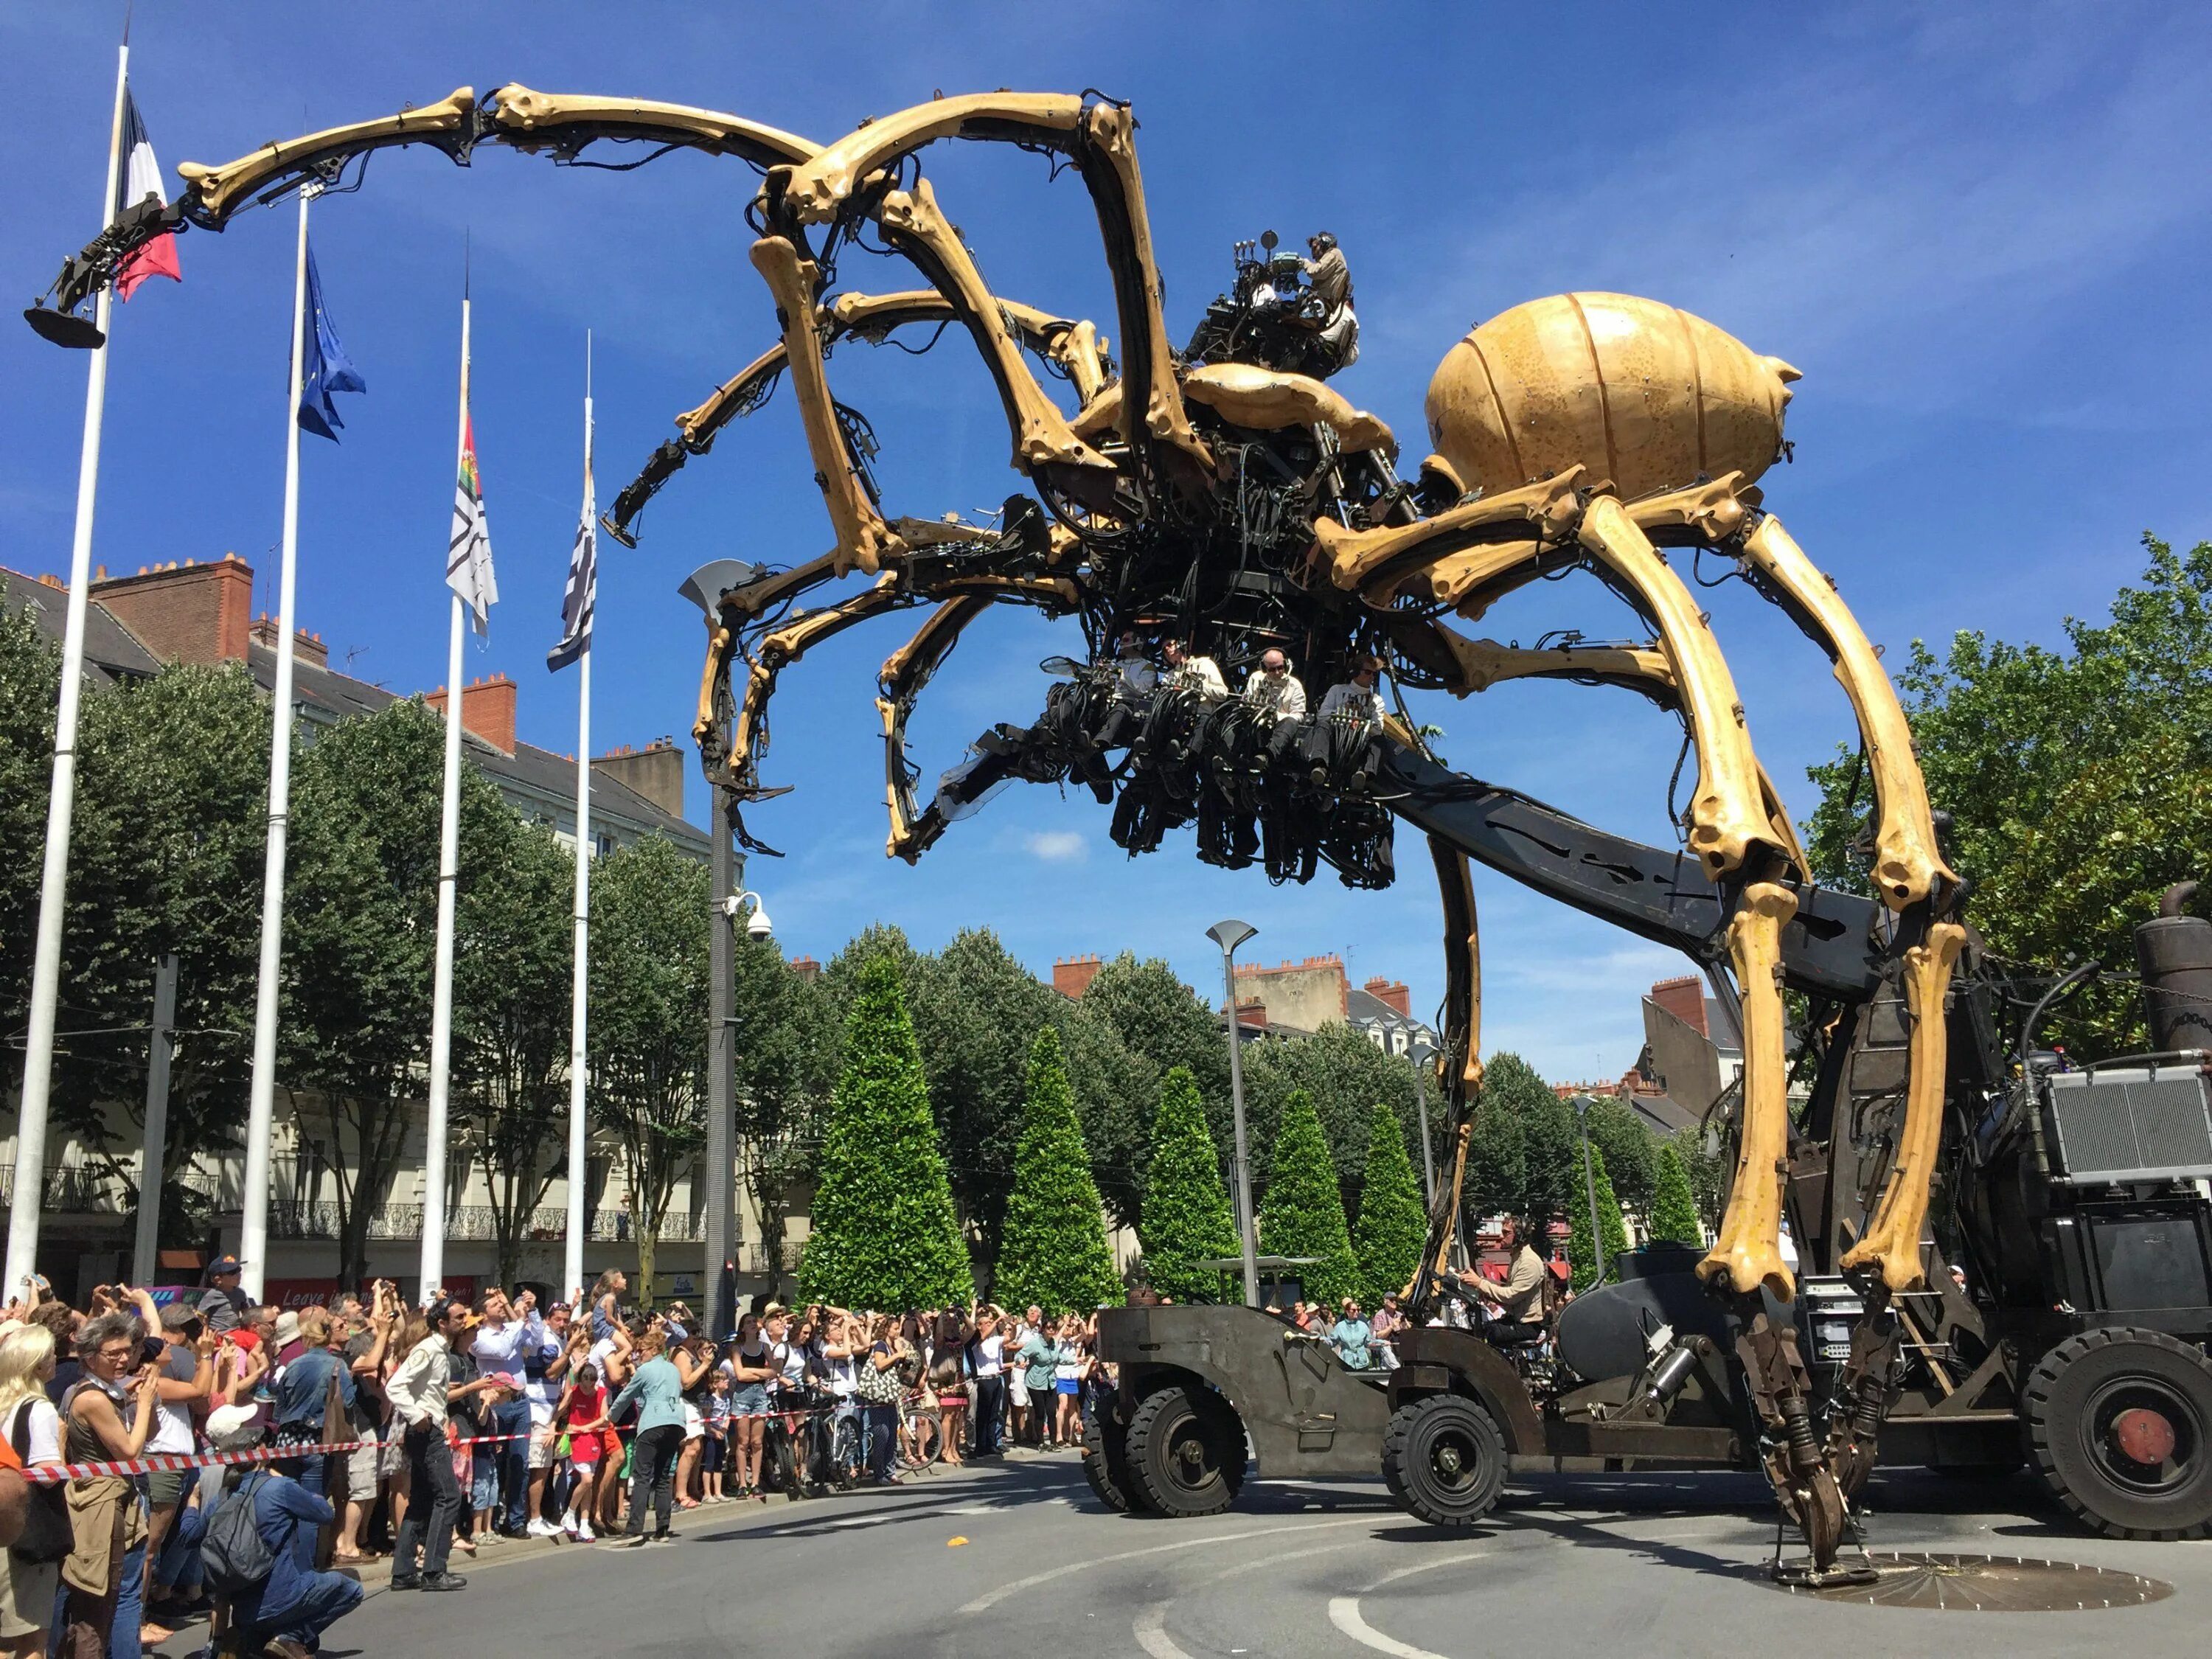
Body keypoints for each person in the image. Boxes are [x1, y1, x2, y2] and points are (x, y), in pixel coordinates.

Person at [59, 1309, 160, 1659]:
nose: (123, 1359)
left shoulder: (103, 1393)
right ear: (90, 1356)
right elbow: (130, 1450)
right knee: (105, 1599)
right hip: (103, 1505)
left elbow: (148, 1436)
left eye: (127, 1351)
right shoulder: (91, 1398)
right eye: (112, 1353)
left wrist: (133, 1400)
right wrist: (145, 1402)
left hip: (115, 1499)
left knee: (114, 1595)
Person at [226, 1461, 362, 1659]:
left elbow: (190, 1534)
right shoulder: (278, 1487)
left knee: (312, 1642)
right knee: (352, 1589)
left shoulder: (223, 1497)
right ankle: (287, 1637)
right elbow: (325, 1513)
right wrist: (286, 1483)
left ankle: (250, 1640)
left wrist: (193, 1504)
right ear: (260, 1455)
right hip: (283, 1595)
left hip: (240, 1606)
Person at [383, 1295, 475, 1592]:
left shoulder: (441, 1351)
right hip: (426, 1432)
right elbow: (395, 1386)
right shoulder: (428, 1349)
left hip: (433, 1429)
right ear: (442, 1323)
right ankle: (434, 1570)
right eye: (458, 1318)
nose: (464, 1322)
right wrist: (416, 1415)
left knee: (422, 1500)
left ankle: (403, 1571)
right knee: (449, 1496)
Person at [139, 1301, 214, 1644]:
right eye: (163, 1343)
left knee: (159, 1544)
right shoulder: (151, 1381)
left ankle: (143, 1610)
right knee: (148, 1547)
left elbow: (201, 1401)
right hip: (162, 1463)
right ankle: (136, 1618)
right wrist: (209, 1357)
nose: (171, 1345)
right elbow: (200, 1394)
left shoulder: (163, 1373)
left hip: (179, 1462)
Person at [0, 1326, 64, 1658]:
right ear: (39, 1364)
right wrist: (63, 1444)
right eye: (52, 1353)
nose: (57, 1359)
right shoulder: (39, 1409)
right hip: (27, 1533)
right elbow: (49, 1473)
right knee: (31, 1642)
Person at [611, 1328, 685, 1546]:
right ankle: (662, 1528)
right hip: (675, 1423)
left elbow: (627, 1395)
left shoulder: (644, 1370)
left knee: (642, 1476)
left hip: (653, 1422)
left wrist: (610, 1416)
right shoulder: (673, 1369)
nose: (638, 1355)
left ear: (653, 1349)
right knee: (662, 1476)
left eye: (641, 1350)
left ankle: (634, 1528)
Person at [1458, 1216, 1548, 1334]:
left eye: (1506, 1233)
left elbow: (1510, 1296)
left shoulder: (1529, 1262)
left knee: (1487, 1335)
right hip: (1517, 1321)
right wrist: (1483, 1291)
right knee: (1477, 1331)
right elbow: (1510, 1301)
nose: (1501, 1236)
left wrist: (1480, 1283)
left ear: (1519, 1236)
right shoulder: (1517, 1258)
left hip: (1527, 1326)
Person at [554, 1360, 612, 1541]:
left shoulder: (601, 1393)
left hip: (593, 1439)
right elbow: (561, 1409)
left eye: (592, 1381)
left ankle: (585, 1524)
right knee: (586, 1480)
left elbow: (604, 1418)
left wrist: (586, 1427)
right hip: (577, 1440)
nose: (589, 1385)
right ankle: (569, 1514)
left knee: (589, 1484)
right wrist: (555, 1425)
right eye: (585, 1380)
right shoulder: (575, 1391)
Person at [1310, 655, 1387, 788]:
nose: (1372, 677)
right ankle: (1320, 767)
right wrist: (1341, 712)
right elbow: (1322, 715)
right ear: (1355, 672)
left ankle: (1364, 774)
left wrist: (1363, 718)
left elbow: (1378, 728)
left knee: (1379, 740)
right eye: (1368, 672)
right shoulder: (1337, 690)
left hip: (1359, 744)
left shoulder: (1376, 701)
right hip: (1335, 739)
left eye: (1374, 674)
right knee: (1322, 726)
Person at [723, 1314, 774, 1500]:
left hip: (760, 1394)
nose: (752, 1325)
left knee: (757, 1442)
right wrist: (761, 1373)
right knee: (743, 1441)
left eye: (754, 1322)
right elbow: (740, 1375)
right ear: (742, 1328)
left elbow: (774, 1371)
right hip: (742, 1395)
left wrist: (752, 1371)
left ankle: (756, 1483)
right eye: (748, 1323)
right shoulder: (737, 1348)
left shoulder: (765, 1347)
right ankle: (742, 1484)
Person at [1299, 231, 1358, 372]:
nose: (1313, 255)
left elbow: (1316, 271)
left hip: (1319, 305)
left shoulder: (1334, 253)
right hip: (1320, 306)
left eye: (1315, 248)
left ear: (1324, 242)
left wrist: (1303, 263)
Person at [968, 1308, 1006, 1457]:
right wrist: (996, 1320)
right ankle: (980, 1445)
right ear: (979, 1325)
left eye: (991, 1322)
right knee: (982, 1415)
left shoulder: (995, 1340)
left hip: (996, 1378)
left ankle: (991, 1444)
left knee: (994, 1413)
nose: (990, 1324)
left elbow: (1010, 1337)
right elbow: (983, 1336)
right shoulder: (977, 1341)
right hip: (984, 1380)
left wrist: (1009, 1323)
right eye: (987, 1323)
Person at [196, 1258, 251, 1338]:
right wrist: (207, 1329)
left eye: (239, 1270)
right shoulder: (212, 1295)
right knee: (256, 1342)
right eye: (233, 1272)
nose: (238, 1274)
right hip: (220, 1334)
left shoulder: (241, 1293)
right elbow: (200, 1314)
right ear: (218, 1279)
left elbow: (247, 1312)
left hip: (236, 1330)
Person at [1328, 1298, 1376, 1370]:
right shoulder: (1340, 1327)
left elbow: (1369, 1342)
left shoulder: (1363, 1326)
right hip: (1346, 1362)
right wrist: (1321, 1340)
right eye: (1353, 1310)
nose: (1356, 1312)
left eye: (1358, 1310)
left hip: (1362, 1362)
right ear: (1347, 1312)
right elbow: (1331, 1341)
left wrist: (1382, 1343)